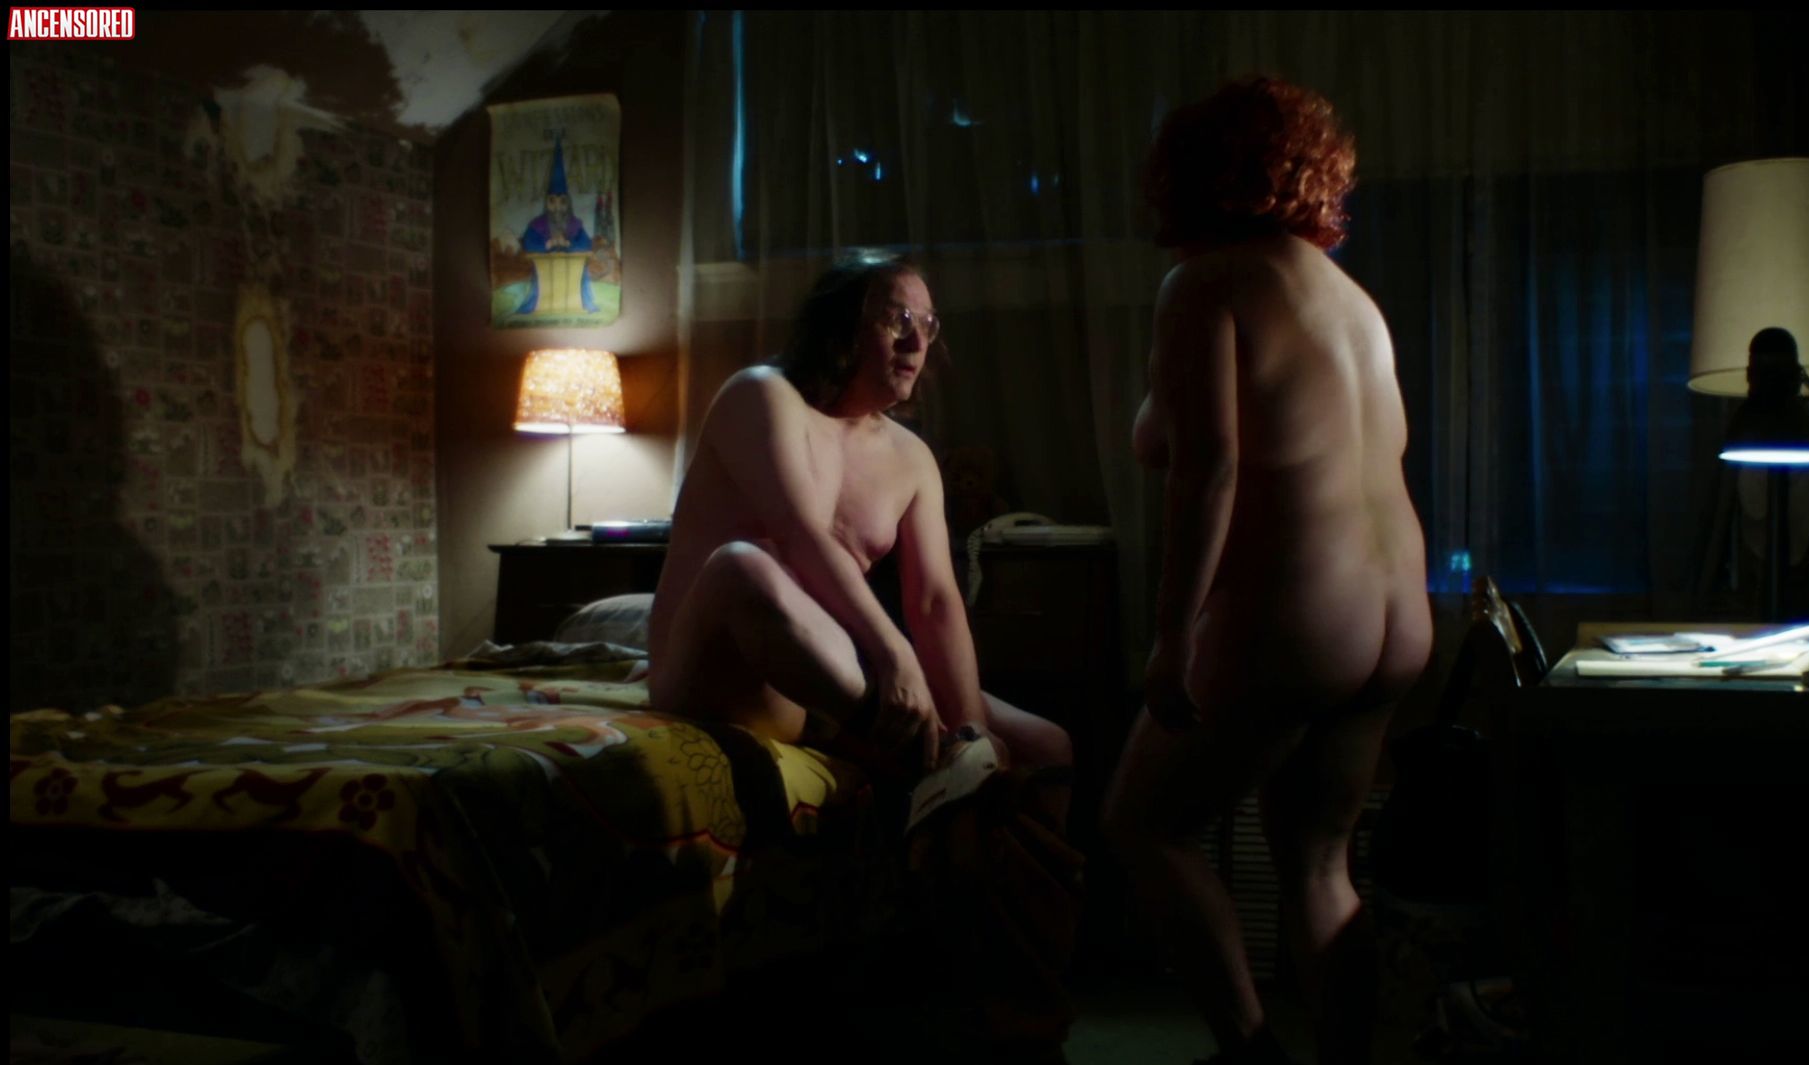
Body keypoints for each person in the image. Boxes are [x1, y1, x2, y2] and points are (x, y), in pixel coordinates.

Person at [1103, 76, 1432, 1065]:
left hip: (1302, 612)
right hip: (1395, 611)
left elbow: (1206, 469)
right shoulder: (1351, 302)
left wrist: (1172, 639)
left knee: (1143, 826)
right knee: (1320, 863)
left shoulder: (1207, 285)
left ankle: (1248, 1056)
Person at [647, 256, 1072, 798]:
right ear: (842, 326)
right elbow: (800, 534)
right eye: (899, 321)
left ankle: (959, 767)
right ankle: (935, 765)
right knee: (741, 566)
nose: (916, 343)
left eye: (928, 325)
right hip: (721, 666)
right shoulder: (761, 395)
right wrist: (896, 656)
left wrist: (973, 729)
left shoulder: (910, 457)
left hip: (824, 678)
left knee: (1048, 747)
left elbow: (934, 602)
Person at [516, 136, 598, 315]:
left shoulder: (575, 224)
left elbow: (586, 244)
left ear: (568, 203)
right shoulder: (537, 225)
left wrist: (569, 244)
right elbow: (528, 243)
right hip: (545, 276)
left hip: (572, 276)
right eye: (552, 201)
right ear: (547, 203)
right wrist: (547, 244)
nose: (557, 207)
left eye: (562, 202)